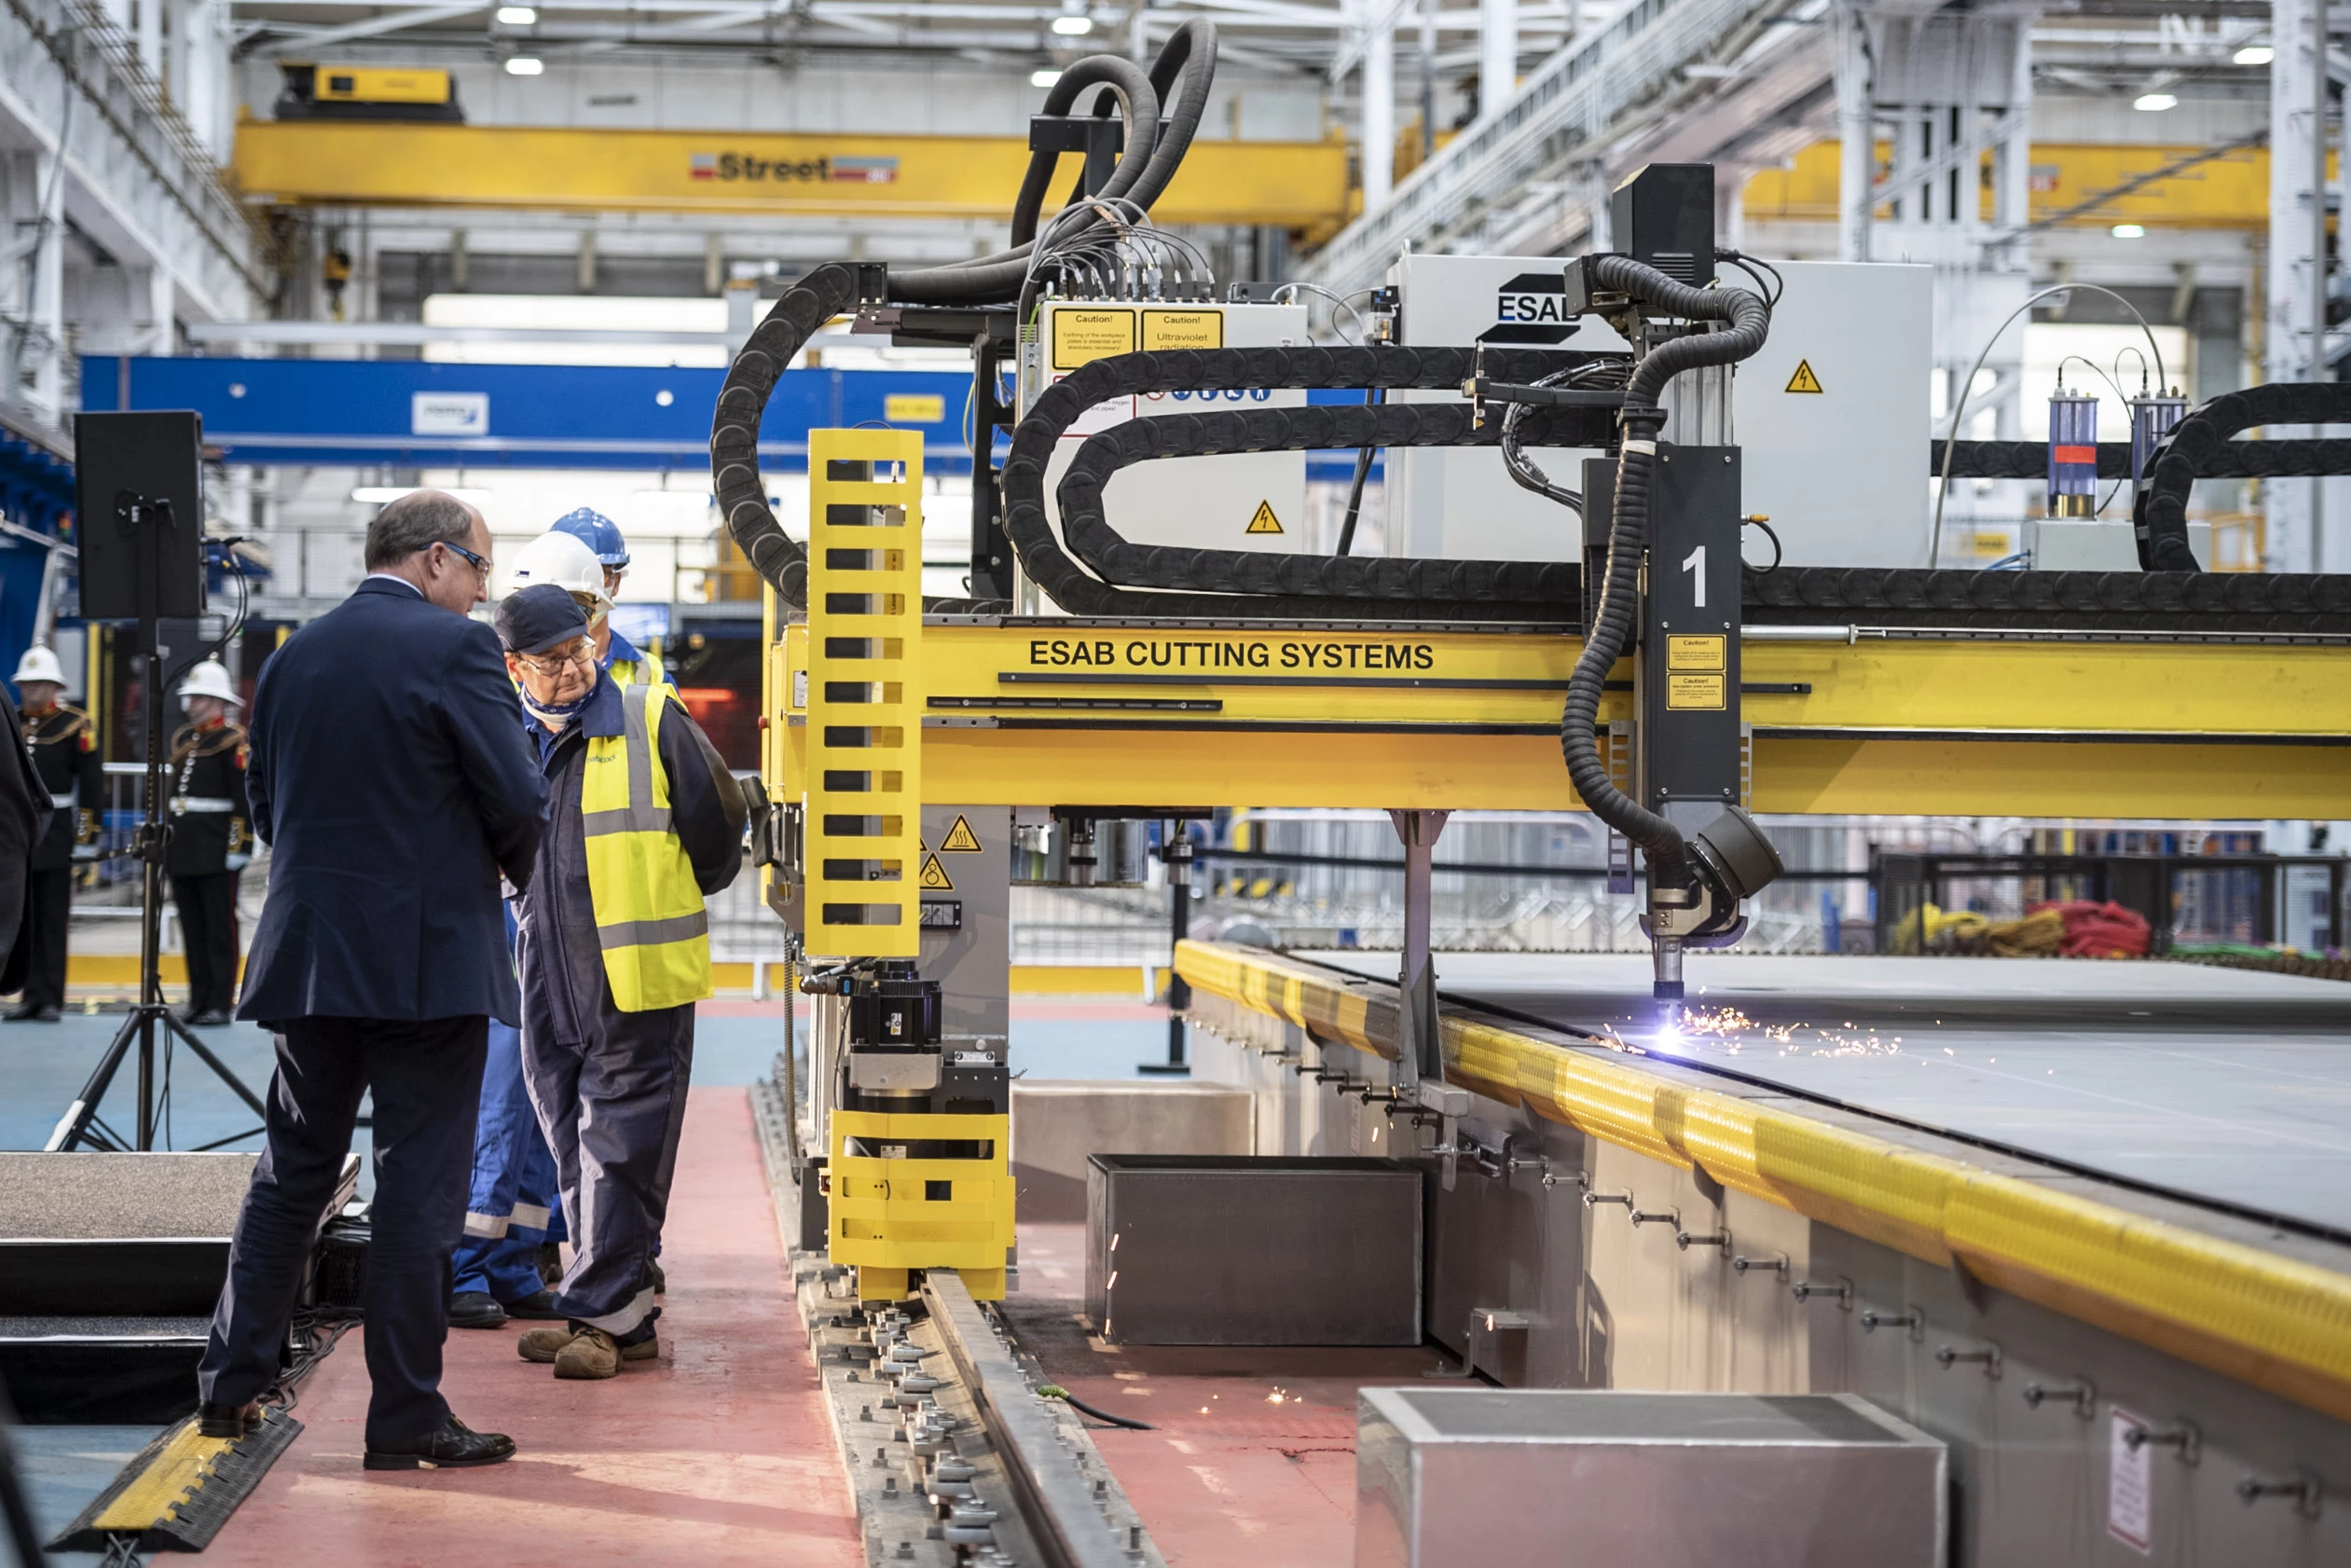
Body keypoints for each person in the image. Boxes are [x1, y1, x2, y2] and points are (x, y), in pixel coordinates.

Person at [196, 490, 547, 1472]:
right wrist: (516, 882)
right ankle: (403, 1418)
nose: (482, 592)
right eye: (479, 569)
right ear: (435, 558)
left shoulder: (290, 655)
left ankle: (229, 1387)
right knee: (417, 1190)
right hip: (428, 961)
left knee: (292, 1172)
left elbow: (268, 805)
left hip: (311, 953)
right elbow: (516, 794)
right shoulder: (456, 650)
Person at [495, 585, 742, 1380]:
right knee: (569, 1136)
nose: (574, 669)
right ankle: (618, 1315)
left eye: (581, 650)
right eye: (552, 660)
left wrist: (662, 893)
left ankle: (597, 1318)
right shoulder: (504, 735)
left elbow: (719, 827)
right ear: (515, 668)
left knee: (620, 1145)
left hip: (635, 975)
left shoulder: (648, 716)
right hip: (543, 973)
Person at [7, 647, 100, 1022]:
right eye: (27, 684)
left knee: (52, 920)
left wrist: (86, 837)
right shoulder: (9, 720)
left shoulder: (75, 724)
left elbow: (91, 787)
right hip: (16, 836)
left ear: (55, 686)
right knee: (21, 921)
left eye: (39, 683)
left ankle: (51, 997)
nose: (32, 690)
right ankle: (28, 995)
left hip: (57, 833)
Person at [165, 660, 250, 1027]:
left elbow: (242, 802)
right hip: (183, 847)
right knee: (192, 928)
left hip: (216, 849)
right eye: (192, 697)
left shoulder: (233, 741)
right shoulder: (185, 738)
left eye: (200, 697)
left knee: (219, 928)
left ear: (218, 702)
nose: (193, 704)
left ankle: (219, 1000)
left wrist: (238, 846)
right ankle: (198, 998)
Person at [512, 517, 667, 688]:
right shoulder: (519, 667)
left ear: (617, 582)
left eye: (601, 575)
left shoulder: (648, 671)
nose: (593, 588)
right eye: (571, 580)